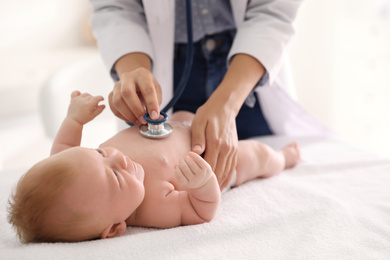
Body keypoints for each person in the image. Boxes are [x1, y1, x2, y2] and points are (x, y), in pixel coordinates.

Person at [87, 0, 329, 192]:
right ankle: (279, 158)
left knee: (256, 153)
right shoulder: (138, 204)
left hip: (243, 62)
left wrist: (75, 121)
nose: (116, 164)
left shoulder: (104, 182)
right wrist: (132, 71)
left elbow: (273, 10)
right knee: (243, 162)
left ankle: (282, 157)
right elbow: (114, 7)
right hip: (167, 68)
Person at [8, 91, 301, 243]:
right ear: (114, 228)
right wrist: (204, 183)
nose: (118, 158)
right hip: (215, 159)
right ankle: (283, 159)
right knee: (258, 155)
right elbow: (201, 212)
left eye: (99, 153)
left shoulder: (77, 171)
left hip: (179, 122)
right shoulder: (153, 209)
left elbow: (63, 150)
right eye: (115, 176)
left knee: (187, 109)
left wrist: (74, 119)